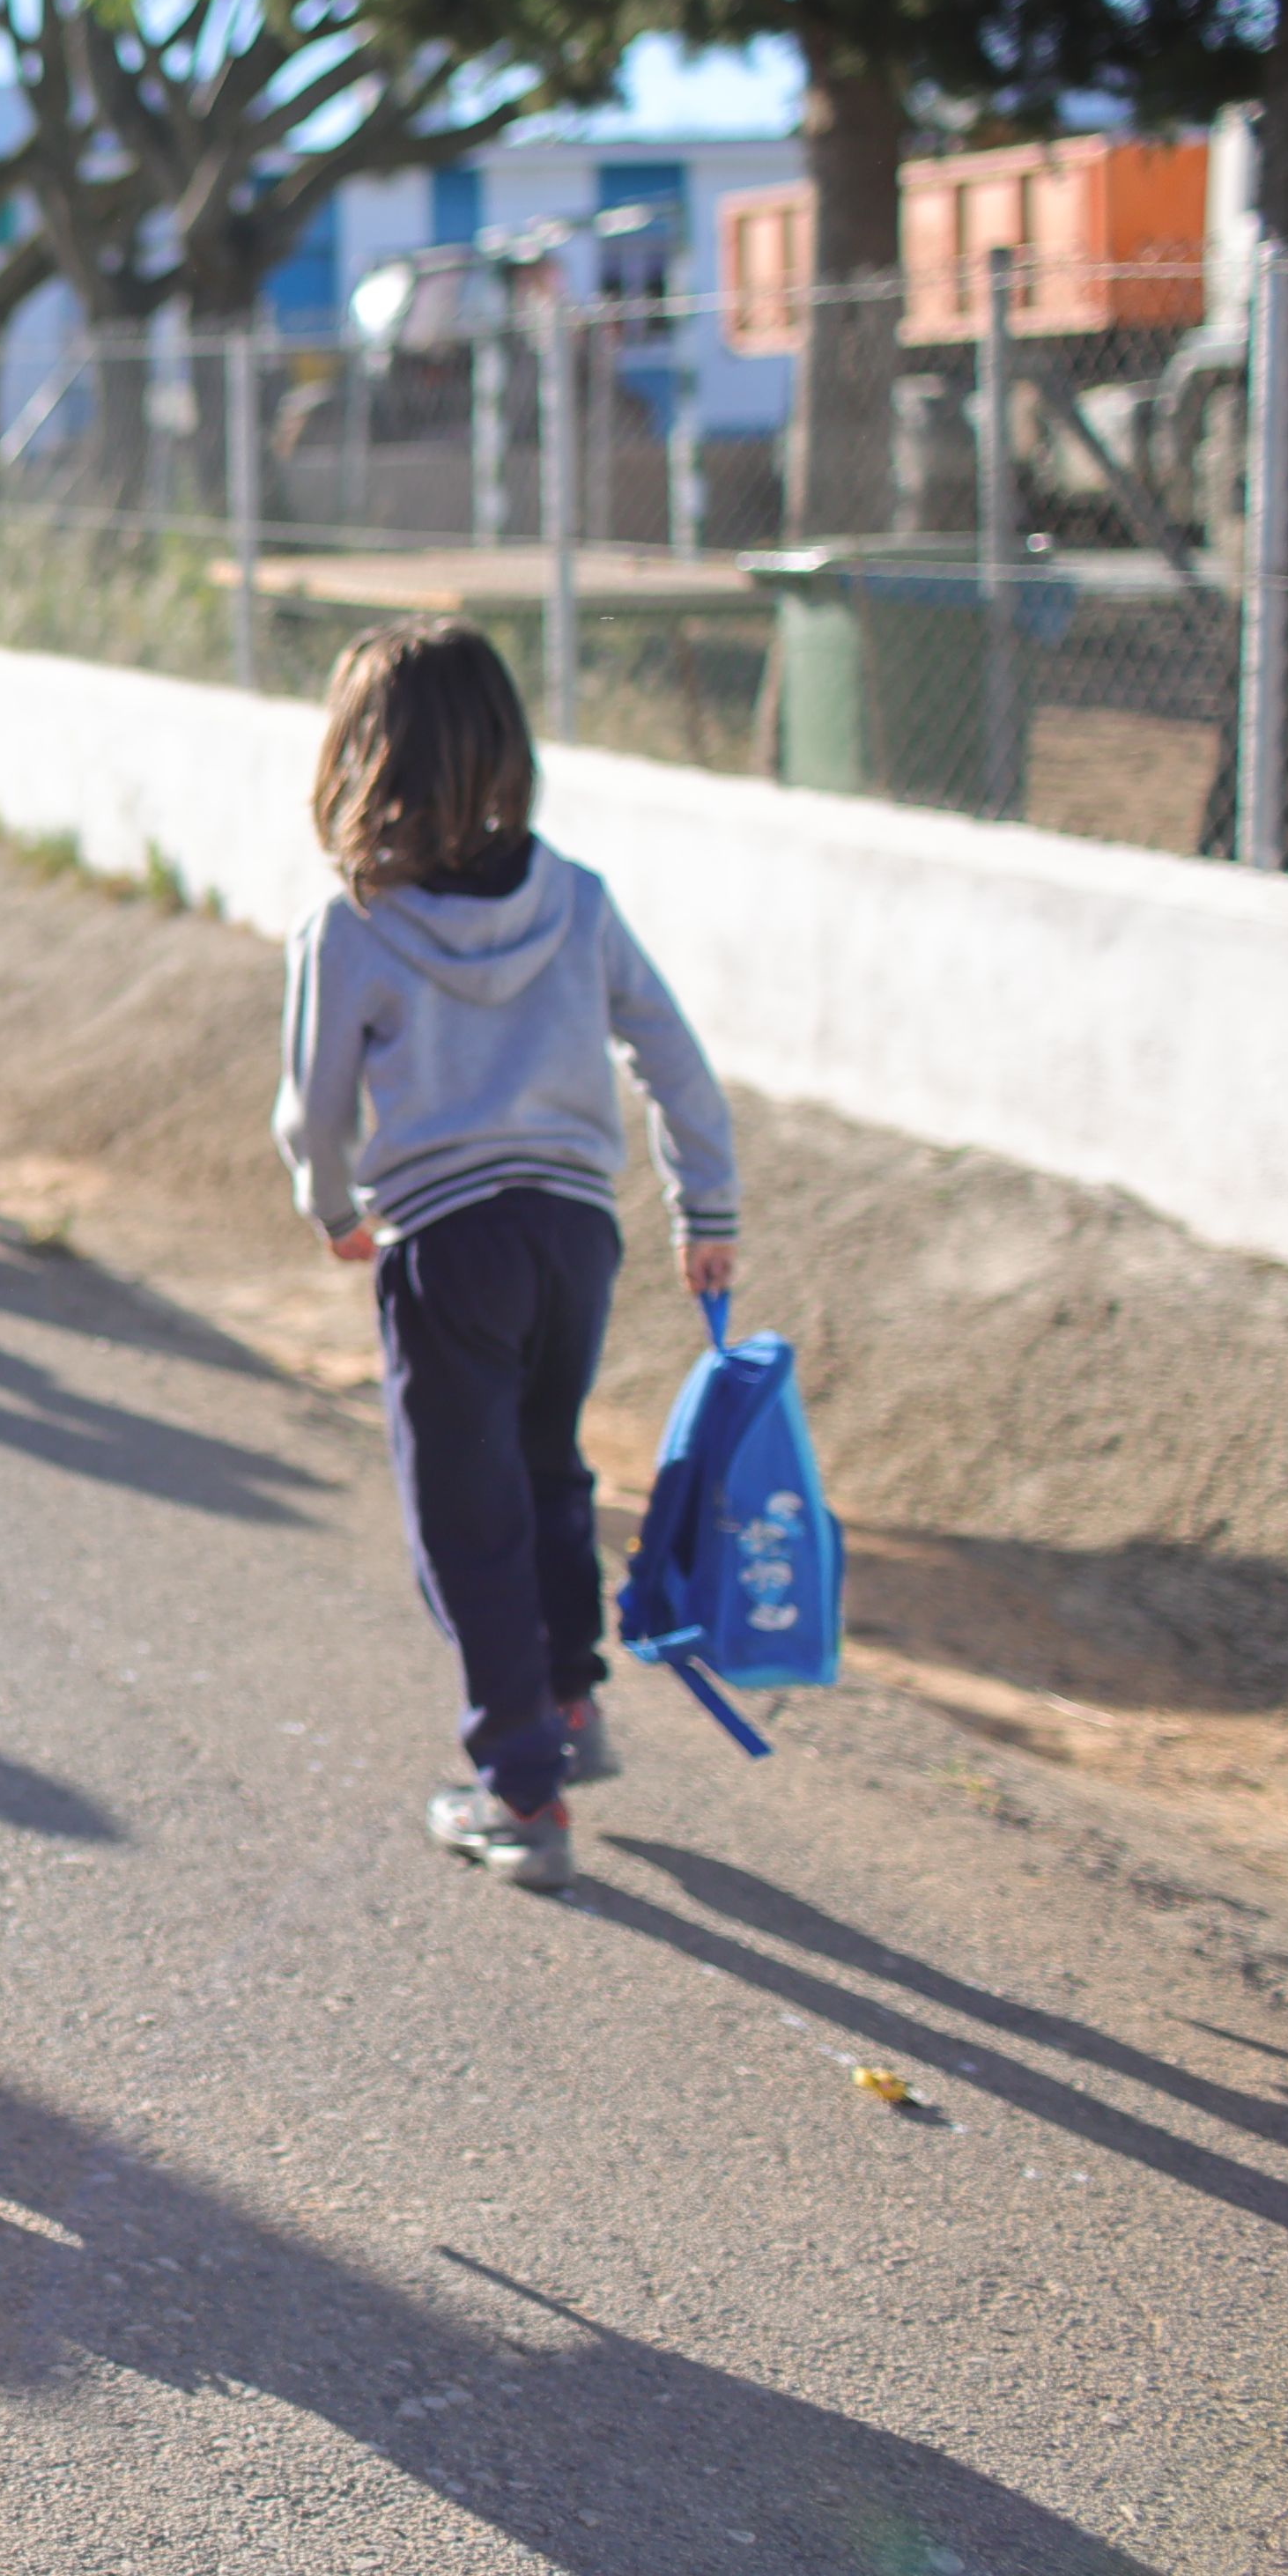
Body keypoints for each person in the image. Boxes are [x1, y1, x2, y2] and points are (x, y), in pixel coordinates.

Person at [271, 619, 739, 1897]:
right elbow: (674, 1055)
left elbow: (312, 1107)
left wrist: (331, 1208)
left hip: (448, 1244)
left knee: (463, 1513)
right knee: (547, 1466)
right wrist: (707, 1208)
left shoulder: (351, 927)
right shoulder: (577, 898)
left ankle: (521, 1790)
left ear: (359, 757)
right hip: (575, 1233)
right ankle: (570, 1703)